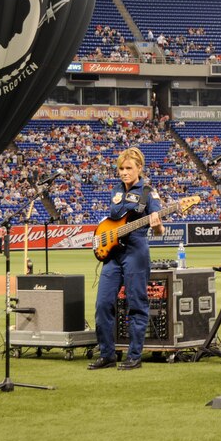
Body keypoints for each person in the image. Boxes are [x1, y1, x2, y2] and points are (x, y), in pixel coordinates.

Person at [89, 148, 164, 371]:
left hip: (136, 251)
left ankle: (134, 356)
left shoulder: (149, 193)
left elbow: (158, 230)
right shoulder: (116, 190)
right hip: (113, 255)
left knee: (136, 304)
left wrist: (157, 224)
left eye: (128, 168)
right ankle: (107, 354)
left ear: (139, 168)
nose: (124, 172)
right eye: (121, 168)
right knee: (103, 303)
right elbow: (113, 221)